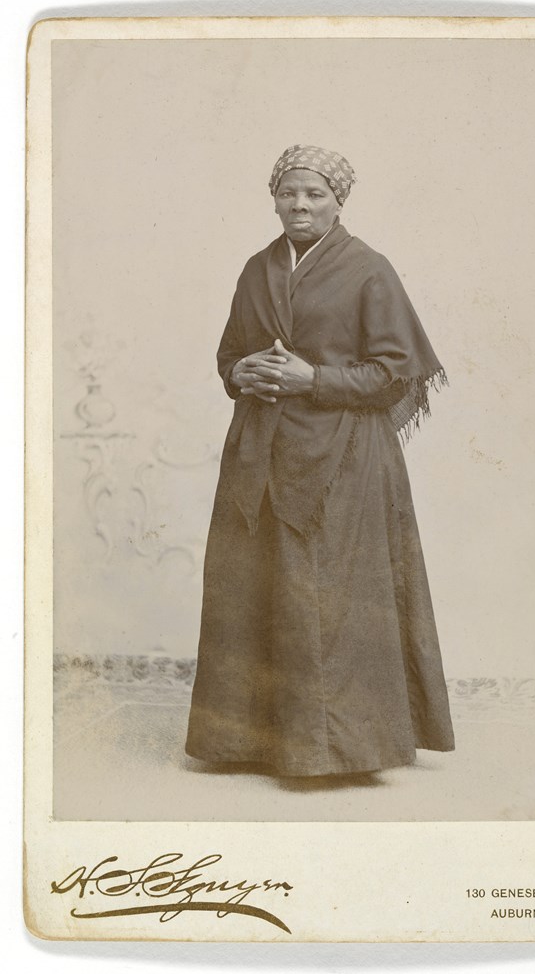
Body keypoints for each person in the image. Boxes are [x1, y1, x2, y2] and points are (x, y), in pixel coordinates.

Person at [185, 144, 455, 777]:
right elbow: (229, 355)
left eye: (314, 194)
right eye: (289, 193)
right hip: (259, 452)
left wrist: (314, 379)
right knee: (253, 587)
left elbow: (395, 374)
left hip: (344, 457)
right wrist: (240, 371)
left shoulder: (369, 269)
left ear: (339, 202)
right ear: (274, 197)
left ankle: (341, 749)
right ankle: (249, 743)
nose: (299, 205)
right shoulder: (256, 268)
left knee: (328, 593)